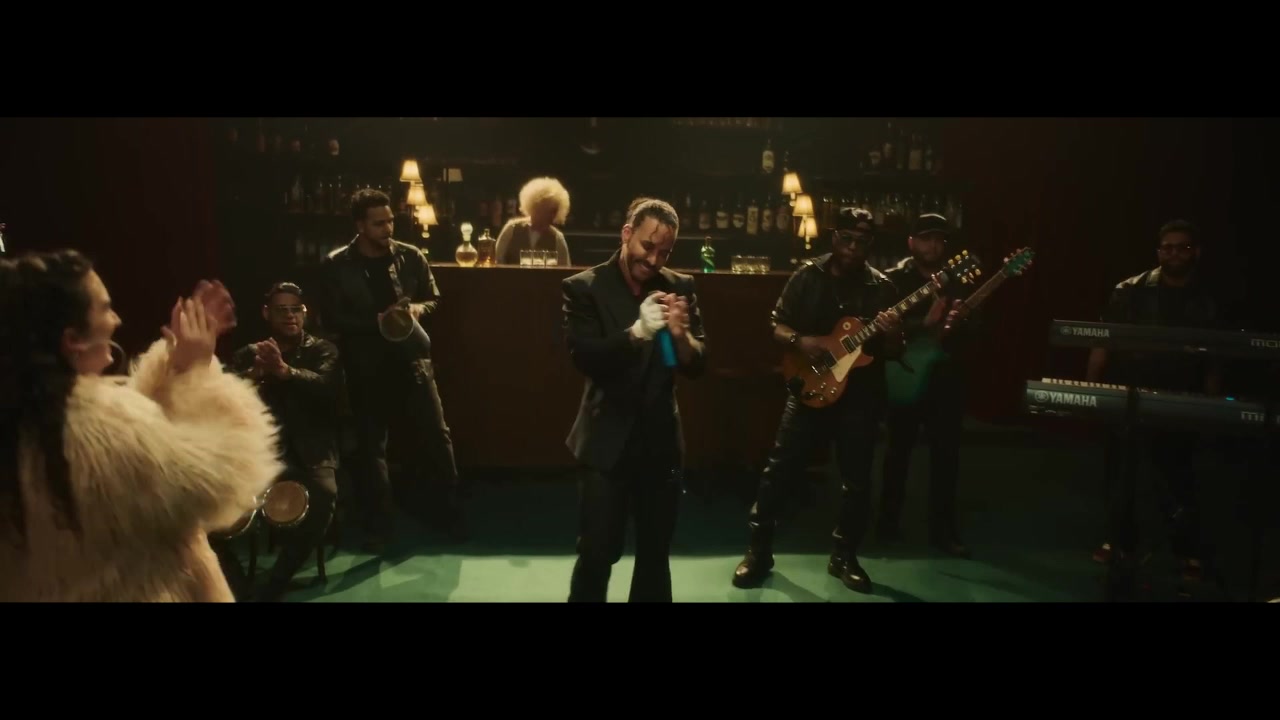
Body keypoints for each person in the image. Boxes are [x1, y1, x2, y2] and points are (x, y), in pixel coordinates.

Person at [0, 249, 283, 602]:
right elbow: (220, 482)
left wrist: (174, 364)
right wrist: (197, 370)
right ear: (73, 339)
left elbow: (138, 453)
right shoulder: (98, 427)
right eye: (105, 308)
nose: (116, 319)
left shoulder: (25, 420)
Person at [732, 207, 903, 594]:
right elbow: (775, 324)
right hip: (808, 386)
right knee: (778, 471)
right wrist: (800, 341)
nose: (853, 247)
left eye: (862, 241)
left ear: (871, 245)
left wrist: (893, 332)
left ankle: (845, 555)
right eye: (847, 238)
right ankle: (758, 551)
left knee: (857, 481)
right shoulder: (807, 276)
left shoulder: (882, 288)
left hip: (860, 395)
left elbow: (894, 351)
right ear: (834, 237)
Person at [562, 197, 706, 602]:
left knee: (655, 558)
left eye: (665, 252)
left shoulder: (679, 286)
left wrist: (680, 338)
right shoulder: (584, 287)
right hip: (605, 441)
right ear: (626, 234)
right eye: (648, 246)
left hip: (660, 443)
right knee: (596, 554)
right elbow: (585, 357)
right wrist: (637, 332)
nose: (654, 259)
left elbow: (697, 365)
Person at [317, 188, 463, 552]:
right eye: (378, 223)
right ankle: (380, 526)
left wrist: (417, 310)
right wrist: (377, 321)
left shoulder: (410, 256)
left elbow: (434, 298)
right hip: (367, 365)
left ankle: (449, 514)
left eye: (390, 221)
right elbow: (331, 319)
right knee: (371, 447)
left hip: (412, 358)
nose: (387, 229)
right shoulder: (336, 264)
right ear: (360, 226)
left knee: (437, 435)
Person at [1086, 219, 1223, 583]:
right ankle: (1119, 542)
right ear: (1158, 251)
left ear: (1195, 252)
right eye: (1167, 247)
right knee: (1121, 476)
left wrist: (1211, 407)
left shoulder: (1208, 297)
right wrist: (1091, 390)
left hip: (1182, 398)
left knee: (1179, 476)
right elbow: (1103, 340)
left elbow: (1215, 359)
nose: (1173, 254)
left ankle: (1186, 550)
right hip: (1129, 396)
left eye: (1182, 247)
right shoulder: (1130, 290)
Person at [210, 281, 342, 602]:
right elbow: (219, 393)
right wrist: (254, 374)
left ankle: (275, 583)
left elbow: (327, 387)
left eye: (296, 309)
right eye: (282, 310)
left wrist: (285, 372)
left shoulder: (322, 349)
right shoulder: (251, 353)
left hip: (310, 447)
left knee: (325, 495)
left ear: (305, 313)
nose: (290, 315)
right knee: (206, 500)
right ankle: (236, 584)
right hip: (261, 451)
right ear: (266, 313)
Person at [880, 213, 973, 557]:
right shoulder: (892, 280)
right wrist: (924, 322)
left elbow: (975, 328)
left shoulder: (958, 279)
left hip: (944, 377)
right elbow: (879, 329)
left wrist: (961, 321)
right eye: (925, 238)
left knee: (947, 456)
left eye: (939, 239)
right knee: (897, 452)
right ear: (911, 242)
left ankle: (943, 531)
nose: (933, 245)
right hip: (905, 373)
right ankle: (887, 524)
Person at [494, 177, 573, 266]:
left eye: (554, 211)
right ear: (535, 207)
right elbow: (496, 260)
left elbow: (565, 269)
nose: (551, 216)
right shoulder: (512, 229)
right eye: (547, 210)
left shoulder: (557, 238)